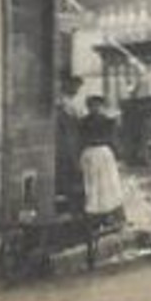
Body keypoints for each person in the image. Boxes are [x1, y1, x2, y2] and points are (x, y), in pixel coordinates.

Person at [79, 96, 126, 221]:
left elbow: (112, 138)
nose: (95, 108)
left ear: (101, 107)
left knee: (107, 182)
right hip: (90, 153)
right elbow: (81, 139)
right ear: (89, 107)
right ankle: (95, 210)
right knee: (93, 182)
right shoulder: (84, 122)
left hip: (103, 152)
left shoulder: (106, 121)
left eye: (97, 105)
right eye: (92, 106)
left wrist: (117, 152)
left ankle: (108, 209)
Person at [54, 74, 87, 211]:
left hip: (75, 139)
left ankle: (76, 202)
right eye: (74, 86)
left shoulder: (75, 102)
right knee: (67, 168)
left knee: (76, 170)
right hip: (66, 140)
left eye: (78, 87)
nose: (76, 89)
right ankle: (66, 201)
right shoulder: (62, 102)